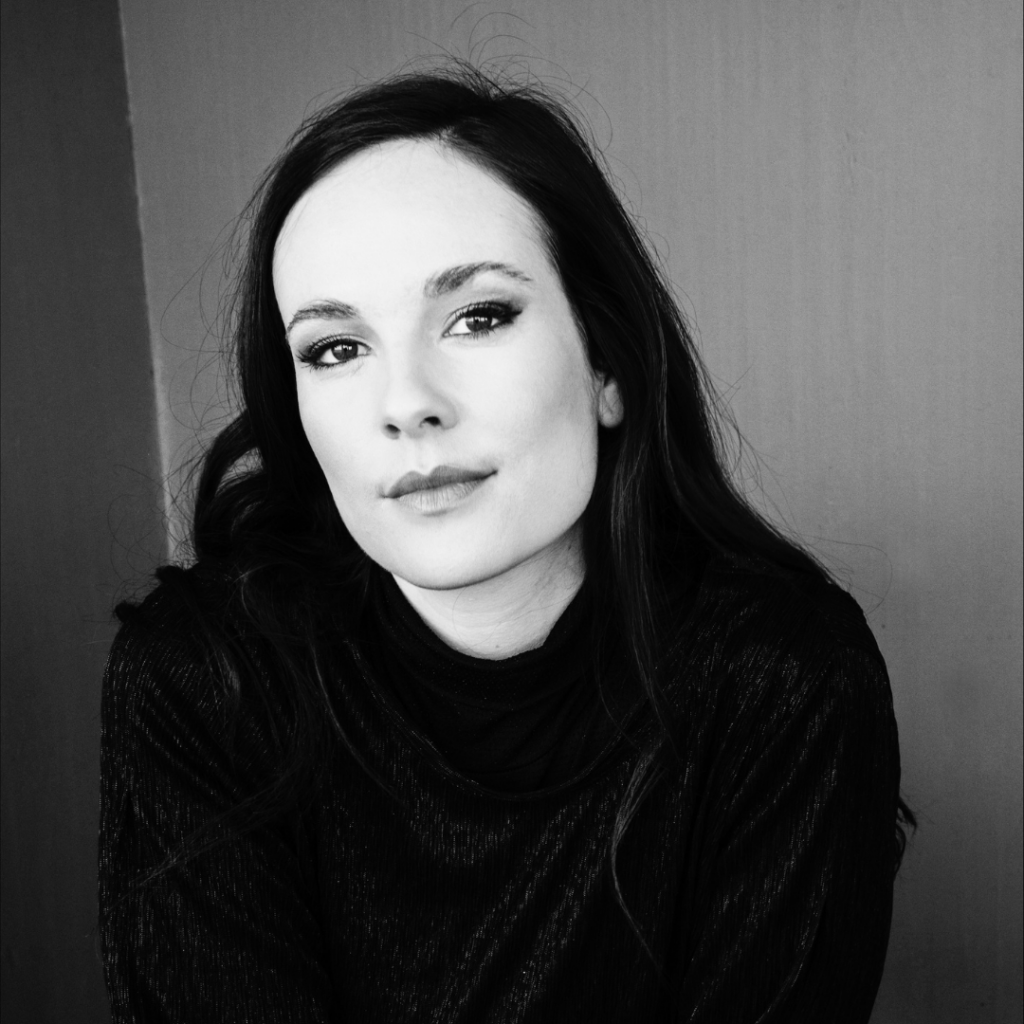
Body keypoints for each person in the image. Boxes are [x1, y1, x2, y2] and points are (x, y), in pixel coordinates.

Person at [98, 66, 913, 1023]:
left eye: (477, 317)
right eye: (335, 349)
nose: (407, 403)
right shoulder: (205, 679)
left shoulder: (783, 677)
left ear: (607, 364)